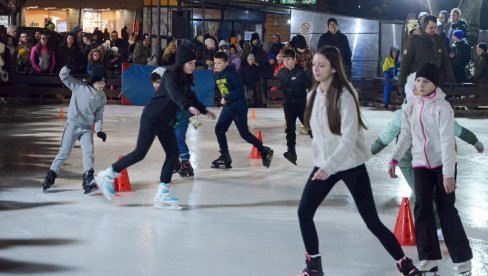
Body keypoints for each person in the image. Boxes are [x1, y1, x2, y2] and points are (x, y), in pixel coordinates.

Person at [297, 46, 420, 276]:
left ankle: (404, 262)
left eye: (321, 65)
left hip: (350, 165)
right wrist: (322, 162)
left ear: (334, 68)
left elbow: (348, 139)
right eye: (314, 64)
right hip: (325, 164)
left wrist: (328, 167)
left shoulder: (345, 95)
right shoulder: (312, 95)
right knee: (304, 211)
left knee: (371, 221)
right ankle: (314, 265)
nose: (316, 69)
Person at [95, 45, 214, 209]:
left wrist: (203, 109)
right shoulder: (171, 76)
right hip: (152, 117)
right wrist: (187, 107)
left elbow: (190, 96)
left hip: (165, 120)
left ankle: (162, 195)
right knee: (140, 153)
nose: (193, 67)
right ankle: (107, 175)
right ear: (181, 63)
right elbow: (175, 94)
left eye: (194, 63)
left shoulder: (184, 79)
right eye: (190, 63)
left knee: (173, 154)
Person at [389, 63, 473, 275]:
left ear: (435, 84)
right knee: (422, 209)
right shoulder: (412, 106)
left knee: (447, 211)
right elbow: (406, 135)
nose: (420, 84)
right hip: (420, 165)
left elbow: (446, 141)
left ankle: (463, 260)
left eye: (426, 81)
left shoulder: (442, 108)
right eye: (418, 80)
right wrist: (394, 158)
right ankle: (428, 259)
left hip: (443, 165)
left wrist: (448, 174)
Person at [371, 92, 484, 240]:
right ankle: (437, 228)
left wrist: (475, 141)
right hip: (408, 163)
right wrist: (369, 152)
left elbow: (456, 129)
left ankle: (438, 227)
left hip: (428, 160)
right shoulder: (402, 115)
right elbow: (387, 135)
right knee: (425, 196)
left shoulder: (436, 111)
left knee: (435, 196)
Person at [42, 63, 107, 194]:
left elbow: (99, 116)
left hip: (87, 128)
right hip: (73, 125)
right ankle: (51, 175)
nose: (101, 84)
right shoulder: (79, 86)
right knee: (64, 152)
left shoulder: (102, 97)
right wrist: (68, 66)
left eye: (104, 82)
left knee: (89, 153)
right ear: (93, 80)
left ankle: (88, 179)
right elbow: (63, 76)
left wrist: (99, 130)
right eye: (99, 81)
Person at [212, 51, 274, 169]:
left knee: (244, 133)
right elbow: (223, 89)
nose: (216, 65)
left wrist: (227, 98)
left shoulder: (231, 74)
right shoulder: (216, 74)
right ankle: (225, 156)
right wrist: (223, 100)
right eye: (215, 63)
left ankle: (265, 150)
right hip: (228, 107)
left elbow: (239, 90)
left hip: (238, 107)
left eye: (219, 63)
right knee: (219, 129)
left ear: (226, 63)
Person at [398, 15, 455, 97]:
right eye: (431, 27)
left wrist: (451, 79)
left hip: (434, 83)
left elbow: (445, 61)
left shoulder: (438, 40)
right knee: (418, 108)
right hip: (418, 83)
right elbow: (405, 62)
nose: (434, 30)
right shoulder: (413, 40)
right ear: (424, 26)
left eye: (435, 27)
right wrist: (401, 84)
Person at [277, 48, 312, 165]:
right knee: (290, 129)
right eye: (284, 59)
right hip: (288, 105)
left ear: (294, 59)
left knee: (310, 127)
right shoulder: (281, 73)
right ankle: (291, 152)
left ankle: (322, 147)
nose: (286, 62)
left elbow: (311, 87)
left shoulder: (301, 72)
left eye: (288, 59)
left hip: (301, 105)